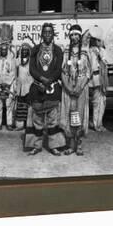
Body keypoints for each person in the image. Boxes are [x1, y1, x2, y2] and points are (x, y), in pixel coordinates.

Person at [24, 23, 67, 156]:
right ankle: (36, 146)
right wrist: (42, 79)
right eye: (45, 32)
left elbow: (59, 69)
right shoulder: (35, 50)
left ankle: (54, 146)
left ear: (53, 34)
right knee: (37, 119)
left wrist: (50, 80)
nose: (47, 34)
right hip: (38, 88)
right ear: (41, 34)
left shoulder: (58, 50)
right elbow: (32, 69)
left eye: (50, 32)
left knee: (53, 119)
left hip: (52, 88)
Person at [60, 24, 91, 156]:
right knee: (68, 115)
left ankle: (78, 145)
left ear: (80, 36)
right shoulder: (66, 51)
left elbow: (88, 72)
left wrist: (80, 86)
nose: (74, 37)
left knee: (78, 116)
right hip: (68, 88)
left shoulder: (85, 51)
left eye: (76, 35)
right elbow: (62, 71)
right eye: (72, 35)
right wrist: (67, 87)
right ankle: (70, 145)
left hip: (81, 88)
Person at [0, 24, 17, 131]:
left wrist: (6, 83)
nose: (3, 51)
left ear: (8, 50)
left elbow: (13, 73)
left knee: (9, 104)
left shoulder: (11, 61)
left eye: (5, 50)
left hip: (8, 86)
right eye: (2, 50)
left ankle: (9, 123)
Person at [87, 25, 108, 132]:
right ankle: (88, 124)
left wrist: (100, 54)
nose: (99, 42)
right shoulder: (88, 51)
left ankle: (97, 124)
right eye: (97, 40)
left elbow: (104, 64)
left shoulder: (102, 52)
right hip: (90, 79)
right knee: (91, 103)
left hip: (99, 79)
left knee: (100, 103)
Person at [14, 36, 35, 132]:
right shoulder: (17, 60)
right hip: (20, 87)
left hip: (29, 86)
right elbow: (15, 74)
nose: (24, 52)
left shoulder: (32, 62)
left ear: (29, 51)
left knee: (29, 106)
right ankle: (20, 125)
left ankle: (29, 125)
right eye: (23, 50)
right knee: (20, 106)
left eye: (26, 50)